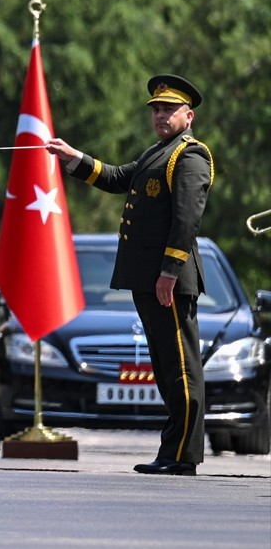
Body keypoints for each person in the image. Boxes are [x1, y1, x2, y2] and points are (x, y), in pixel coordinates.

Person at [47, 74, 212, 476]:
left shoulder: (189, 156)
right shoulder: (159, 152)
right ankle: (173, 452)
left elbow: (187, 219)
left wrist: (170, 272)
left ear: (188, 116)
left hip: (167, 278)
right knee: (166, 366)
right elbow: (119, 177)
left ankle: (184, 455)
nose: (160, 115)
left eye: (169, 110)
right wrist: (74, 157)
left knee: (182, 369)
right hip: (148, 277)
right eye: (156, 109)